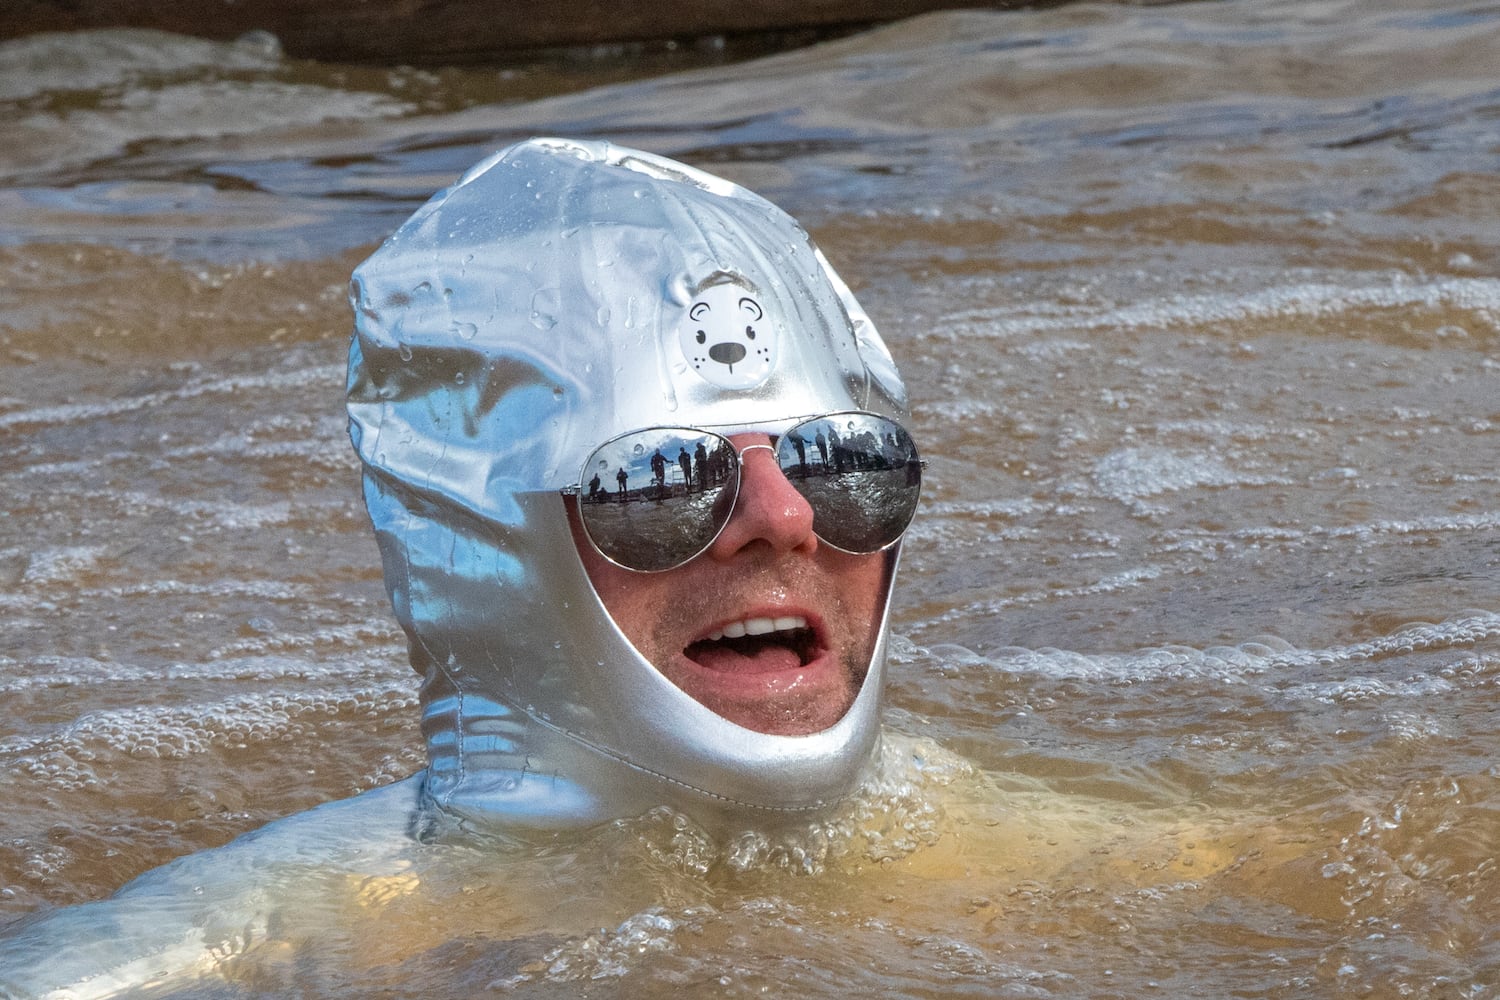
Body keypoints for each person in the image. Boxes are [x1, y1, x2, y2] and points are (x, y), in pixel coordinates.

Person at [0, 137, 918, 996]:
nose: (787, 518)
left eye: (840, 461)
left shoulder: (1043, 852)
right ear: (491, 547)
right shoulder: (218, 948)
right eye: (654, 481)